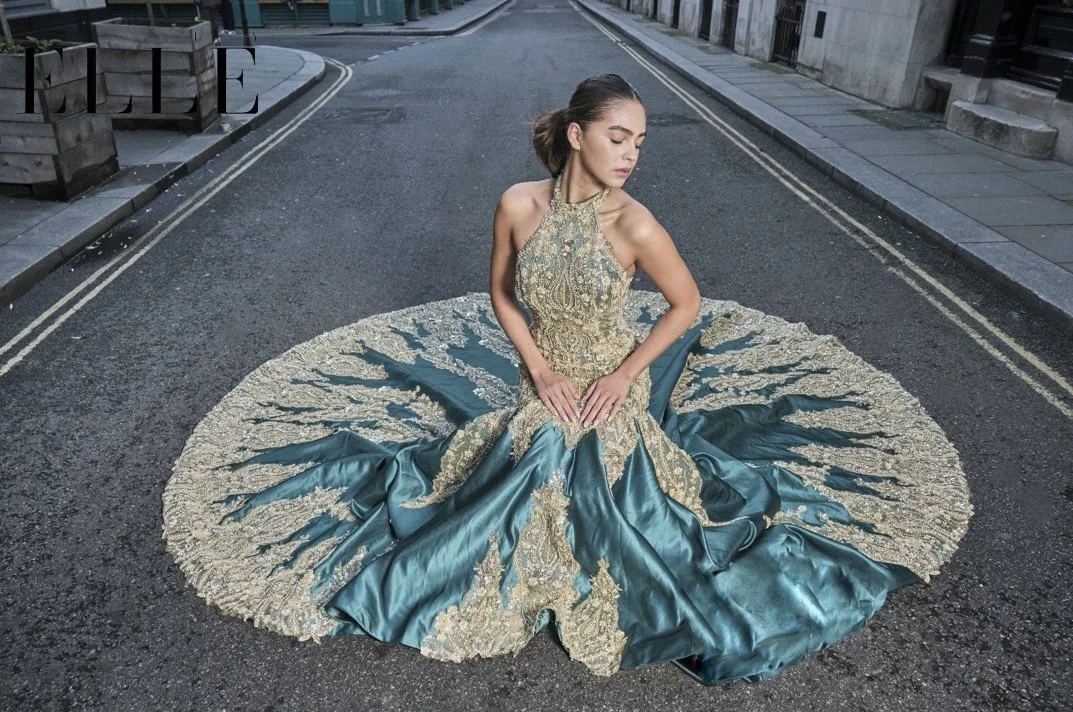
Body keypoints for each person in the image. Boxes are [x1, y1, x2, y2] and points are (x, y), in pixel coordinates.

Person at [163, 74, 972, 684]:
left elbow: (685, 304)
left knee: (576, 466)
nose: (630, 153)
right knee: (533, 442)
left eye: (640, 142)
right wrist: (539, 368)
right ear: (577, 135)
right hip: (543, 376)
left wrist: (624, 376)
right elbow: (501, 295)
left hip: (611, 380)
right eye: (619, 136)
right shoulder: (517, 203)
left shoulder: (636, 222)